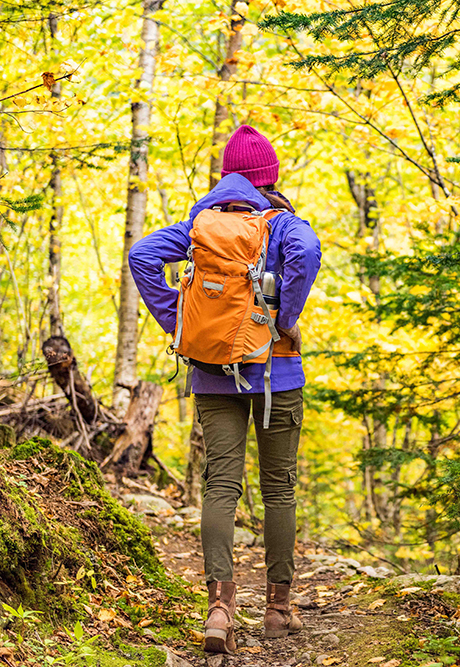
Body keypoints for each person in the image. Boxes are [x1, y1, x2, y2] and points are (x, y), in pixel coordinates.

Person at [129, 125, 322, 652]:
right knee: (278, 487)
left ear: (226, 176)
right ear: (270, 178)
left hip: (212, 374)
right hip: (277, 373)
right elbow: (305, 249)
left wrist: (180, 324)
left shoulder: (199, 224)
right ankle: (279, 611)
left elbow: (143, 256)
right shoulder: (281, 223)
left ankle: (219, 610)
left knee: (220, 487)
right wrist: (286, 316)